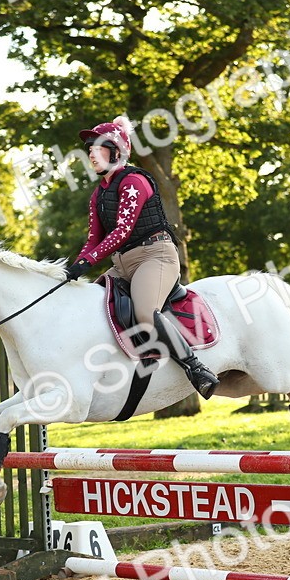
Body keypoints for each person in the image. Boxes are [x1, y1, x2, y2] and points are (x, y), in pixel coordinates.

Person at [67, 116, 219, 398]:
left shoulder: (134, 181)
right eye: (88, 148)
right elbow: (93, 240)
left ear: (115, 151)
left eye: (96, 147)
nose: (89, 152)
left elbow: (123, 231)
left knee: (145, 313)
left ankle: (196, 369)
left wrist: (90, 261)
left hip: (155, 256)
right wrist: (74, 267)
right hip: (122, 264)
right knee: (88, 306)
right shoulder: (97, 194)